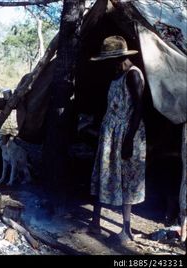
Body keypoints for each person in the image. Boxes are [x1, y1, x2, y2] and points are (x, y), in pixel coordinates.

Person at [88, 36, 146, 243]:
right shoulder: (117, 74)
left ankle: (126, 229)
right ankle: (95, 221)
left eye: (109, 59)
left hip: (126, 133)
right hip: (110, 133)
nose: (107, 63)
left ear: (119, 57)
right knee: (103, 174)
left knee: (126, 179)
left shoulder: (133, 75)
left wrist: (128, 139)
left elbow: (139, 107)